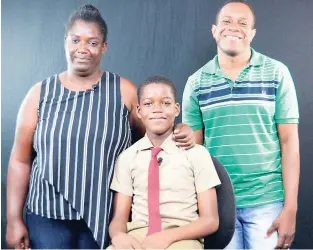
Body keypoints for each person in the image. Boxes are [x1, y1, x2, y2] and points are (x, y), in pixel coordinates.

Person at [5, 5, 195, 249]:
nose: (83, 49)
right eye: (76, 40)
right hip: (47, 216)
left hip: (105, 214)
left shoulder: (123, 91)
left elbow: (155, 131)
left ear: (103, 48)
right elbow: (20, 161)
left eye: (93, 43)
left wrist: (182, 131)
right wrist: (13, 219)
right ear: (66, 42)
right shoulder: (39, 94)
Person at [182, 0, 300, 249]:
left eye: (242, 23)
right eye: (226, 21)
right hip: (217, 203)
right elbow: (192, 154)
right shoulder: (196, 83)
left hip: (267, 202)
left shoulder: (277, 73)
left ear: (252, 33)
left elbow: (289, 142)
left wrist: (291, 208)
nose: (233, 27)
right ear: (214, 30)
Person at [107, 75, 220, 249]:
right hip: (139, 235)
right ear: (139, 111)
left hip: (182, 236)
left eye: (165, 103)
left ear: (176, 109)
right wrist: (118, 236)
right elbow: (118, 219)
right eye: (148, 103)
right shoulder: (127, 158)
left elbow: (211, 220)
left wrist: (167, 237)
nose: (157, 109)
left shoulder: (196, 154)